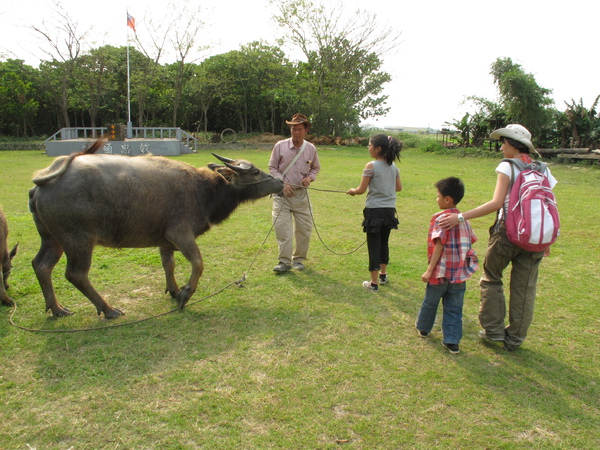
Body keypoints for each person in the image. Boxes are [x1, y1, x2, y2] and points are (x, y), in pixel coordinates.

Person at [438, 124, 557, 351]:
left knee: (492, 277)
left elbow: (495, 203)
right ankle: (514, 339)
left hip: (507, 233)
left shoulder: (508, 166)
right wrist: (547, 239)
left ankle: (493, 331)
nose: (501, 147)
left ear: (513, 143)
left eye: (503, 142)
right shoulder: (543, 168)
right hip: (536, 237)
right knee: (525, 289)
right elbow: (549, 205)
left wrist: (460, 217)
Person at [415, 177, 479, 355]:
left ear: (447, 199)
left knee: (431, 302)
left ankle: (424, 328)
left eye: (438, 196)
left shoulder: (441, 219)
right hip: (458, 273)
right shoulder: (465, 220)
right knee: (454, 307)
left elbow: (439, 244)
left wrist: (429, 270)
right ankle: (452, 341)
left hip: (440, 273)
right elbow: (470, 242)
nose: (436, 199)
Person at [346, 134, 402, 291]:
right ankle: (383, 275)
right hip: (389, 211)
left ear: (378, 149)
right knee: (384, 242)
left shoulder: (371, 165)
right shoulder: (393, 167)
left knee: (374, 245)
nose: (368, 148)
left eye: (370, 145)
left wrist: (352, 191)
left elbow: (361, 190)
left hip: (374, 211)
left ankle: (374, 283)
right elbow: (398, 188)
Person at [269, 113, 321, 273]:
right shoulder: (280, 146)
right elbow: (272, 168)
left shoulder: (311, 148)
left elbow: (316, 168)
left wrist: (310, 178)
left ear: (305, 130)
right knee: (282, 229)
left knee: (304, 229)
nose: (295, 132)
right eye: (293, 129)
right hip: (282, 195)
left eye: (299, 129)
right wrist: (282, 183)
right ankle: (284, 262)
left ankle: (298, 260)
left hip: (301, 195)